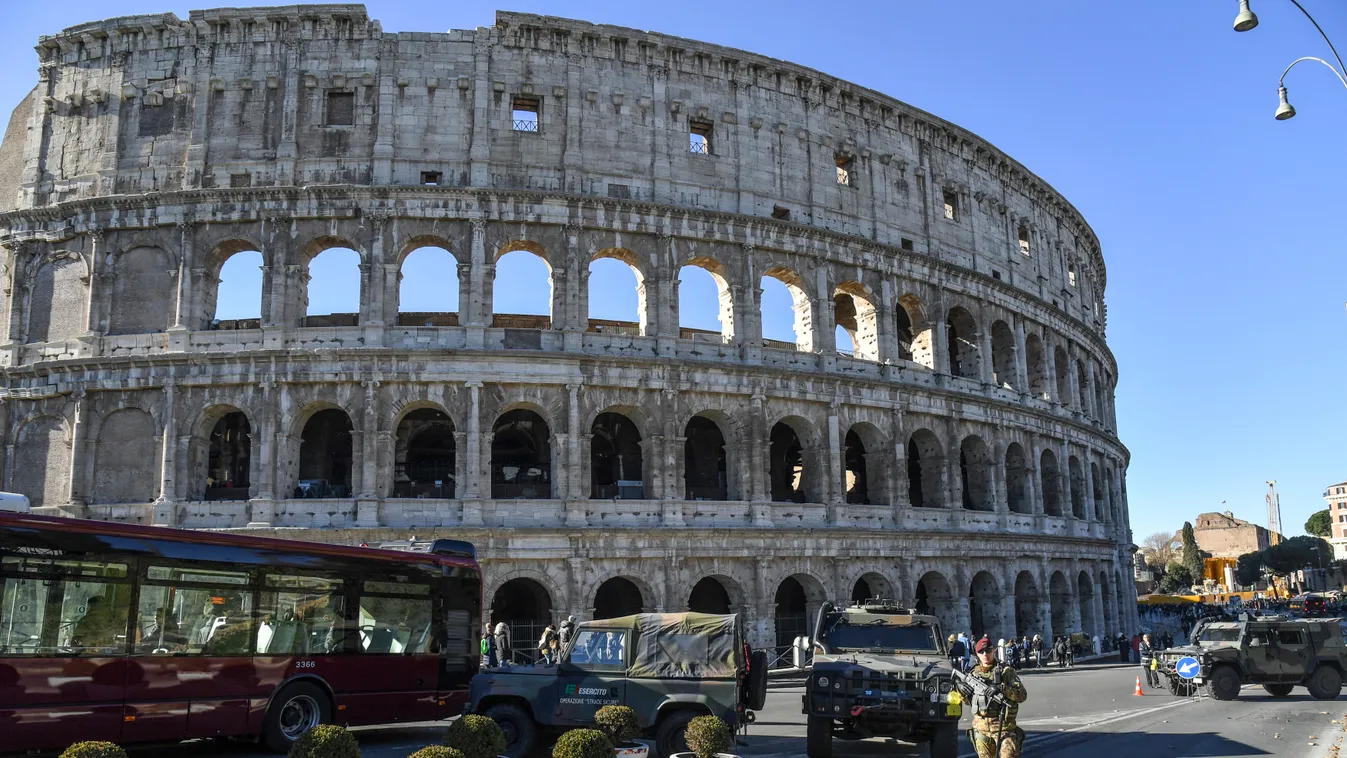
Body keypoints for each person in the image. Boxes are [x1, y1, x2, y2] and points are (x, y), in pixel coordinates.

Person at [968, 637, 1029, 758]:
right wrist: (962, 691)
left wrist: (1002, 689)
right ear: (977, 653)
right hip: (981, 729)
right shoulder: (973, 674)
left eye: (988, 651)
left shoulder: (1006, 671)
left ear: (993, 651)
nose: (985, 654)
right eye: (981, 651)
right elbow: (969, 701)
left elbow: (1022, 696)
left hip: (1004, 729)